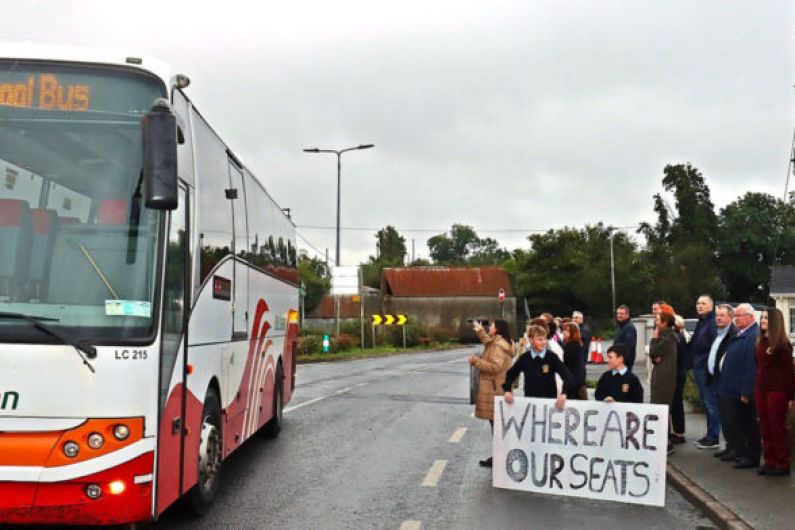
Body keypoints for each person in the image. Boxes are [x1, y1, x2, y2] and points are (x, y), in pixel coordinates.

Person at [717, 303, 760, 470]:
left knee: (748, 426)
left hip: (740, 390)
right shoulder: (740, 334)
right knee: (736, 423)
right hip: (730, 388)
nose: (735, 319)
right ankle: (741, 453)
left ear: (750, 317)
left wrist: (746, 391)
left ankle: (750, 456)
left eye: (739, 316)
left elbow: (751, 367)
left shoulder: (752, 336)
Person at [468, 319, 513, 468]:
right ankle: (498, 456)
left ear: (498, 329)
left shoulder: (498, 347)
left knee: (497, 425)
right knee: (496, 425)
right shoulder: (499, 342)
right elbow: (489, 342)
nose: (489, 328)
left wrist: (476, 362)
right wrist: (480, 330)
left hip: (494, 389)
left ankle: (499, 458)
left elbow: (495, 366)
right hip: (497, 388)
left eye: (491, 326)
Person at [755, 308, 794, 476]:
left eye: (766, 318)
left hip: (777, 391)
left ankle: (782, 463)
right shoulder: (760, 342)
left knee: (777, 427)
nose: (763, 320)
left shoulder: (783, 345)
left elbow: (789, 372)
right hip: (761, 389)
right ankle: (769, 461)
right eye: (762, 317)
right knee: (765, 427)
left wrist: (792, 396)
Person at [502, 324, 574, 409]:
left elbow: (568, 376)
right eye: (540, 339)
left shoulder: (552, 357)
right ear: (531, 340)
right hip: (530, 403)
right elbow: (510, 374)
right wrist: (507, 391)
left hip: (549, 403)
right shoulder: (525, 358)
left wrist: (564, 393)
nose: (543, 342)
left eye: (544, 339)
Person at [703, 304, 737, 454]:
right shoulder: (718, 333)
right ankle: (728, 445)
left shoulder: (733, 335)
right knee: (721, 414)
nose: (718, 318)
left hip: (724, 381)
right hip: (713, 378)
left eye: (722, 315)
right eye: (717, 315)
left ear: (731, 317)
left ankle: (732, 446)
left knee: (729, 416)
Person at [689, 295, 718, 450]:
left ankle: (713, 437)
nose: (699, 306)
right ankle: (709, 434)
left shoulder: (712, 323)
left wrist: (708, 369)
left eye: (703, 303)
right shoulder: (702, 322)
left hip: (706, 369)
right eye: (698, 303)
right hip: (699, 367)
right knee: (706, 404)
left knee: (711, 403)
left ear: (711, 306)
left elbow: (714, 347)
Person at [650, 310, 678, 455]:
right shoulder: (667, 337)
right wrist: (655, 358)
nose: (656, 322)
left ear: (665, 323)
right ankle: (663, 441)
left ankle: (666, 443)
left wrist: (653, 339)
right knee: (660, 410)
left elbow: (653, 351)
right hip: (662, 378)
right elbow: (655, 357)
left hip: (664, 381)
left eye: (658, 320)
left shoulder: (667, 338)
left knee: (661, 411)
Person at [669, 315, 690, 444]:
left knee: (676, 403)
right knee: (676, 403)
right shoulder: (680, 336)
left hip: (677, 373)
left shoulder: (677, 338)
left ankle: (679, 432)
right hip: (679, 372)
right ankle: (677, 430)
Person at [562, 322, 587, 400]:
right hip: (578, 379)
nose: (563, 332)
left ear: (572, 333)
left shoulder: (571, 346)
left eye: (566, 330)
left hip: (573, 381)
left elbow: (569, 366)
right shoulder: (577, 344)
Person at [614, 305, 638, 371]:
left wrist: (621, 360)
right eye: (618, 313)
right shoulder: (621, 327)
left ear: (627, 315)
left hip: (624, 363)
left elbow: (628, 347)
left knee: (624, 380)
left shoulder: (629, 328)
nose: (619, 316)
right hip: (619, 361)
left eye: (621, 314)